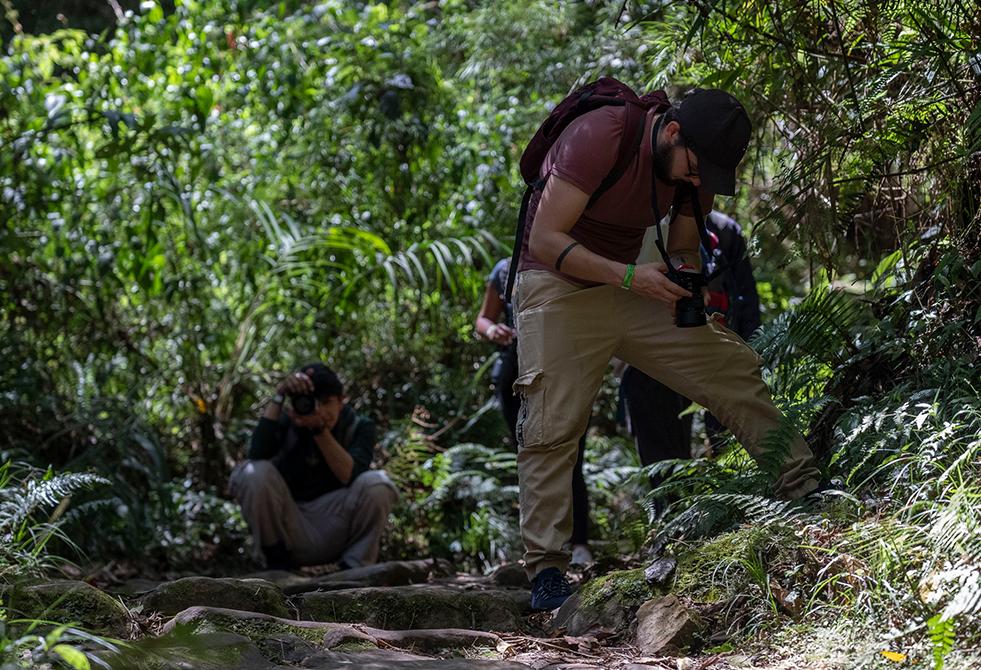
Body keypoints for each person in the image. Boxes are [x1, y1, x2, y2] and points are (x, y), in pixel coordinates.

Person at [511, 88, 822, 610]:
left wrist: (684, 275)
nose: (699, 183)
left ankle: (805, 486)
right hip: (557, 282)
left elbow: (681, 246)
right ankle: (546, 571)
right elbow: (545, 238)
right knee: (550, 424)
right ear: (673, 132)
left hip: (632, 282)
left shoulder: (693, 170)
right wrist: (631, 277)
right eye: (695, 168)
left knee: (729, 365)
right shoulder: (601, 134)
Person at [622, 211, 763, 493]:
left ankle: (732, 501)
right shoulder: (638, 223)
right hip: (653, 353)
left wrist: (749, 351)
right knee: (663, 446)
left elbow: (745, 299)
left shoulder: (723, 231)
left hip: (714, 346)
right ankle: (671, 517)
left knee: (725, 435)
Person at [475, 258, 594, 566]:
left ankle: (579, 543)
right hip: (517, 372)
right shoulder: (504, 269)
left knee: (571, 456)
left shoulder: (570, 259)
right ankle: (539, 550)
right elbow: (483, 319)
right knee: (530, 459)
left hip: (565, 367)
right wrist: (494, 332)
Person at [230, 362, 398, 570]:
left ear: (341, 400)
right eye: (313, 402)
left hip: (337, 522)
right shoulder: (288, 421)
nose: (320, 410)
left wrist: (319, 430)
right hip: (291, 524)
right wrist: (280, 393)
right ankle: (276, 562)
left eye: (326, 402)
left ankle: (355, 568)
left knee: (377, 484)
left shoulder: (359, 426)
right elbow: (256, 455)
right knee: (252, 473)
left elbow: (350, 476)